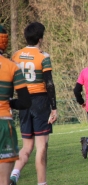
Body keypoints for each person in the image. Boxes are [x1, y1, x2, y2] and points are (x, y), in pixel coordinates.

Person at [10, 22, 57, 185]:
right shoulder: (43, 57)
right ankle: (42, 183)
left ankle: (14, 175)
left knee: (27, 146)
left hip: (23, 101)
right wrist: (54, 108)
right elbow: (49, 84)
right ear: (40, 38)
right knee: (41, 146)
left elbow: (10, 79)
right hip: (39, 101)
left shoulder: (16, 55)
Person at [0, 25, 31, 185]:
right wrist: (8, 102)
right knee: (4, 181)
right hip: (4, 123)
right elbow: (26, 101)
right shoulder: (12, 66)